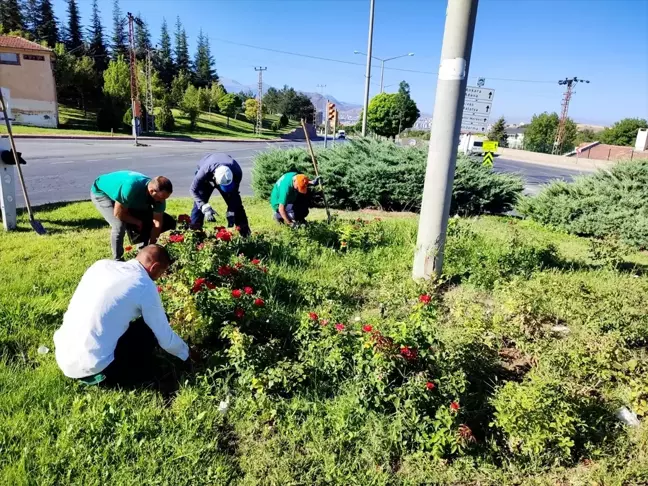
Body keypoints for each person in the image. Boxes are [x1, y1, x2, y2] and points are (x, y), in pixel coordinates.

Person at [53, 245, 189, 386]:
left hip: (65, 357)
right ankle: (139, 374)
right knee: (148, 330)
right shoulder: (144, 285)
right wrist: (187, 353)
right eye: (162, 272)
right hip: (97, 369)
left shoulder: (101, 266)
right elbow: (165, 338)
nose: (160, 277)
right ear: (154, 267)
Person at [91, 170, 176, 260]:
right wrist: (136, 221)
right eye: (161, 198)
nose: (162, 201)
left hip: (127, 196)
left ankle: (141, 253)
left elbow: (157, 223)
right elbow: (118, 213)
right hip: (102, 193)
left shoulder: (159, 196)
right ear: (151, 191)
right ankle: (118, 260)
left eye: (165, 198)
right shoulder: (131, 187)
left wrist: (151, 246)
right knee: (119, 225)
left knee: (148, 220)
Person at [189, 153, 251, 236]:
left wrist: (231, 211)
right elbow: (193, 190)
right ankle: (195, 234)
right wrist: (204, 206)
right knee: (199, 204)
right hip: (207, 176)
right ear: (216, 180)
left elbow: (234, 195)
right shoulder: (204, 171)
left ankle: (245, 234)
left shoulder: (237, 172)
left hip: (225, 171)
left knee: (237, 206)